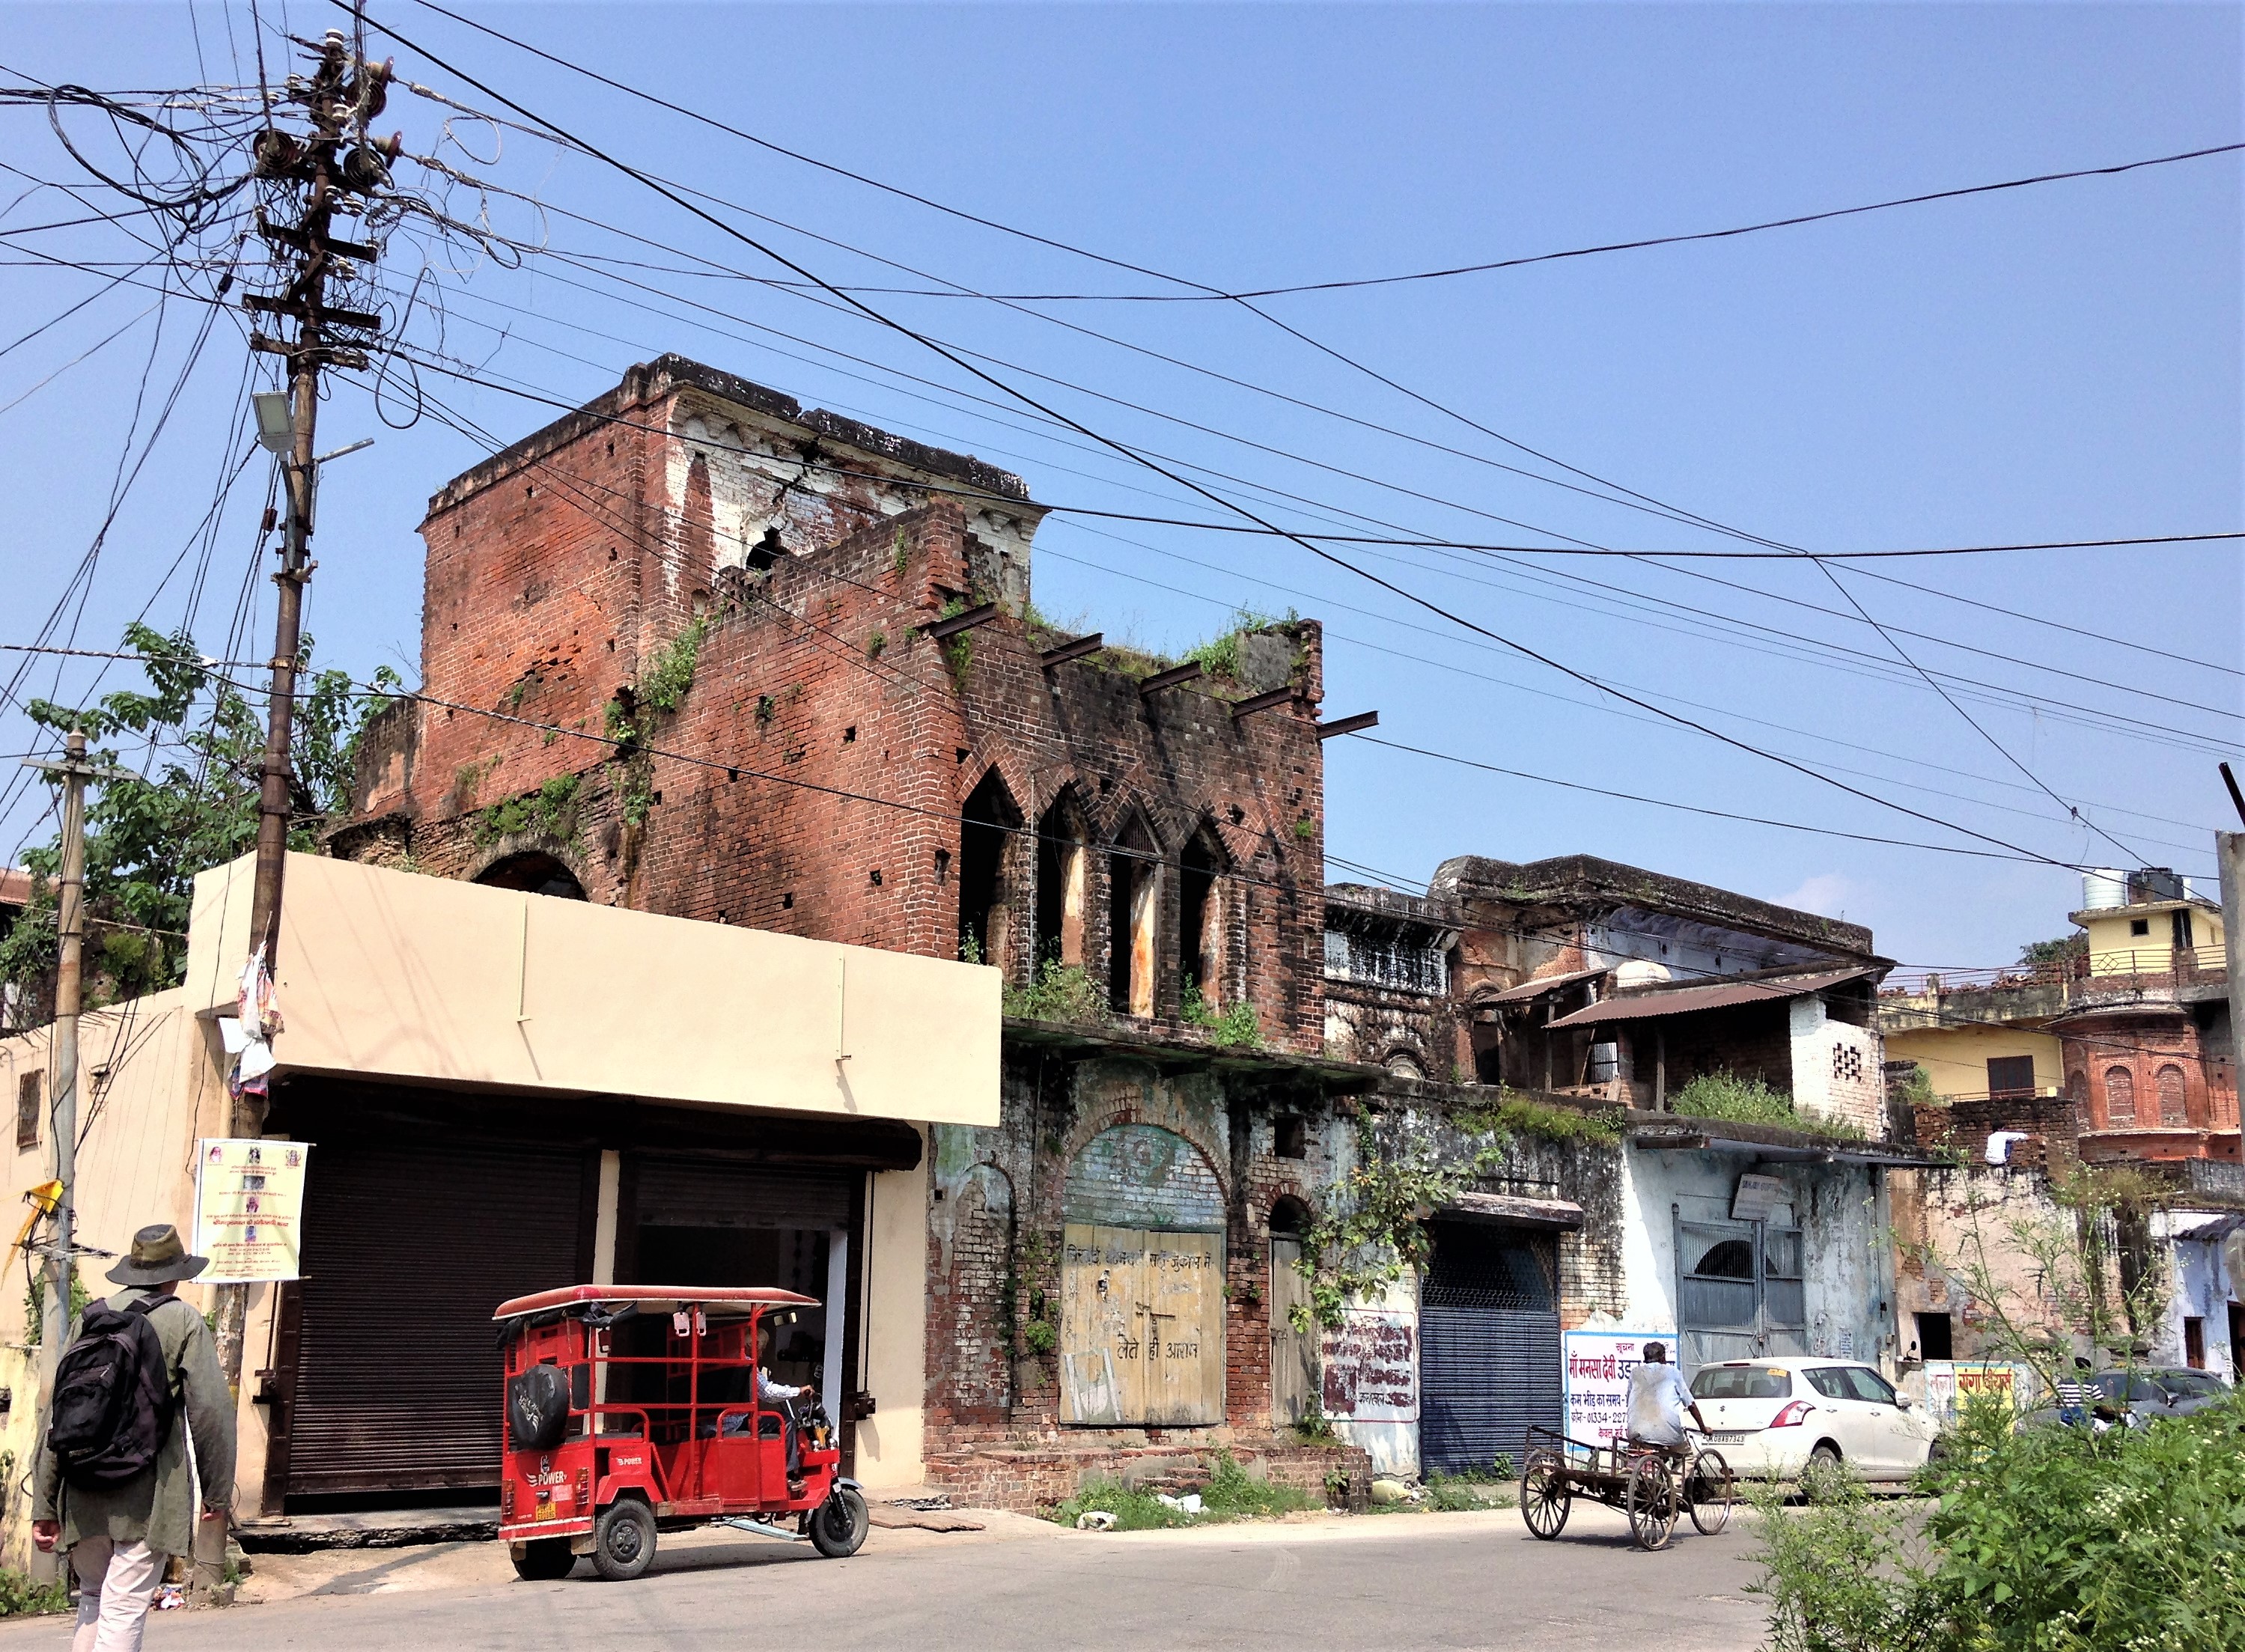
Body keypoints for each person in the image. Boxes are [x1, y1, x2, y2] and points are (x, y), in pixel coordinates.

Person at [33, 1225, 234, 1652]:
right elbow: (211, 1413)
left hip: (83, 1488)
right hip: (150, 1495)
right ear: (174, 1275)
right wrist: (217, 1494)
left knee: (93, 1599)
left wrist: (45, 1505)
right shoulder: (182, 1320)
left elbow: (56, 1415)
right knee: (123, 1609)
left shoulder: (90, 1318)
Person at [1626, 1341, 1709, 1454]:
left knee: (1640, 1450)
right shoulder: (1673, 1373)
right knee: (1687, 1456)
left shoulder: (1635, 1373)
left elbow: (1629, 1401)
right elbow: (1691, 1404)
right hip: (1667, 1433)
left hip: (1637, 1433)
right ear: (1663, 1357)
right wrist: (1703, 1428)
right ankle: (1680, 1466)